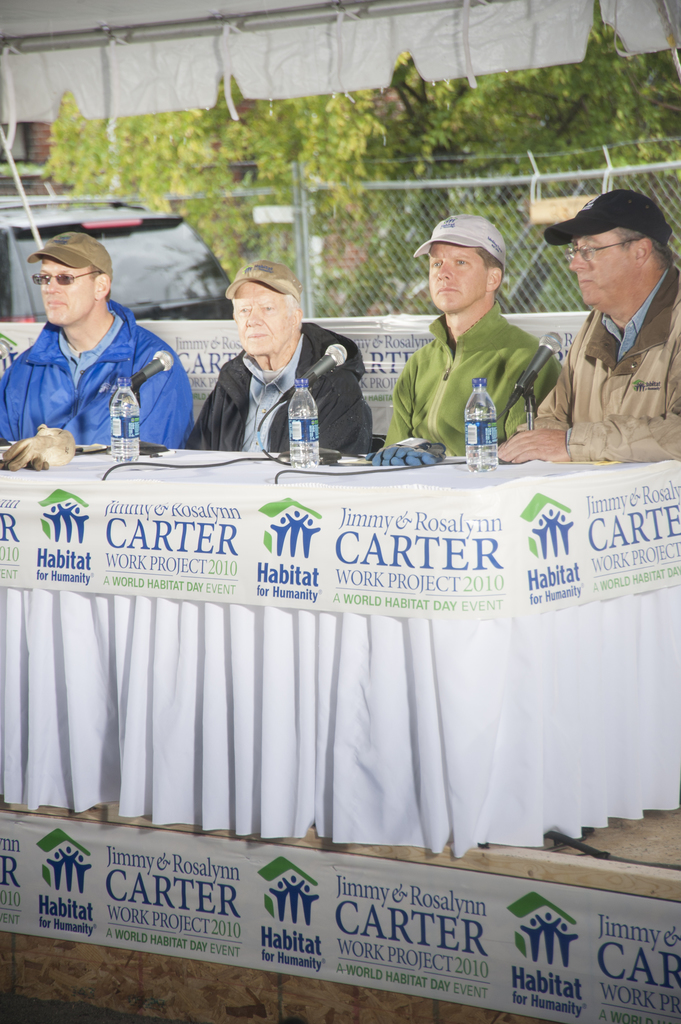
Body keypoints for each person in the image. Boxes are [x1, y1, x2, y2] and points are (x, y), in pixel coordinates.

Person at [499, 189, 679, 464]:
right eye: (575, 250)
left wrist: (574, 443)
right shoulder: (597, 322)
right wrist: (532, 443)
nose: (574, 265)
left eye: (589, 250)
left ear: (640, 251)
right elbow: (553, 419)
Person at [384, 215, 561, 455]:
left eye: (460, 262)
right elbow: (392, 455)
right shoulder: (418, 364)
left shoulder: (529, 360)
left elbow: (526, 466)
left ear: (493, 279)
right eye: (436, 263)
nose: (442, 273)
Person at [0, 232, 193, 448]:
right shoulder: (23, 369)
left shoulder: (153, 366)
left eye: (65, 278)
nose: (50, 289)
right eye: (44, 278)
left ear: (101, 286)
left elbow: (154, 467)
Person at [187, 260, 371, 454]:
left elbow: (332, 477)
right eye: (244, 310)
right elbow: (197, 458)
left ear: (294, 319)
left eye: (267, 308)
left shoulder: (334, 388)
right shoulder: (230, 380)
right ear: (235, 319)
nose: (253, 321)